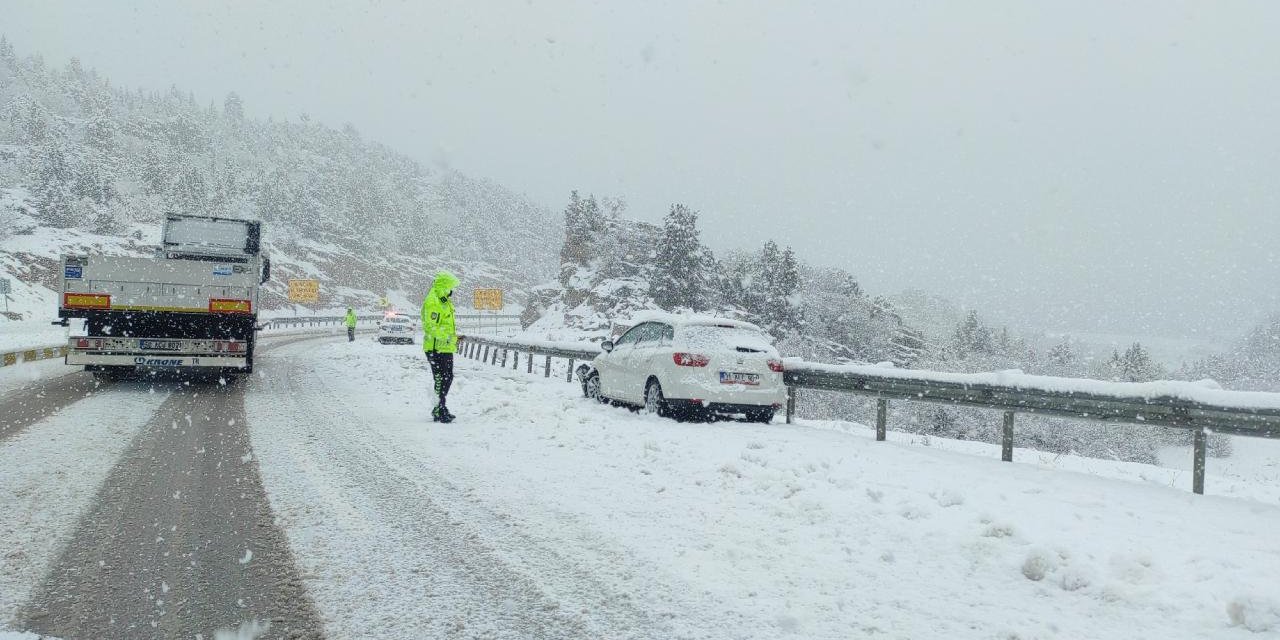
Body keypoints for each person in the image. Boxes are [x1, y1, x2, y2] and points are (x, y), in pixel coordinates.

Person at [422, 270, 460, 423]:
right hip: (435, 347)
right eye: (451, 287)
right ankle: (438, 409)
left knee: (447, 378)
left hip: (445, 347)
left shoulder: (443, 300)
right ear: (445, 286)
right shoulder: (434, 301)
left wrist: (451, 339)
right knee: (441, 379)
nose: (452, 291)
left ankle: (441, 407)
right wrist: (448, 337)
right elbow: (431, 327)